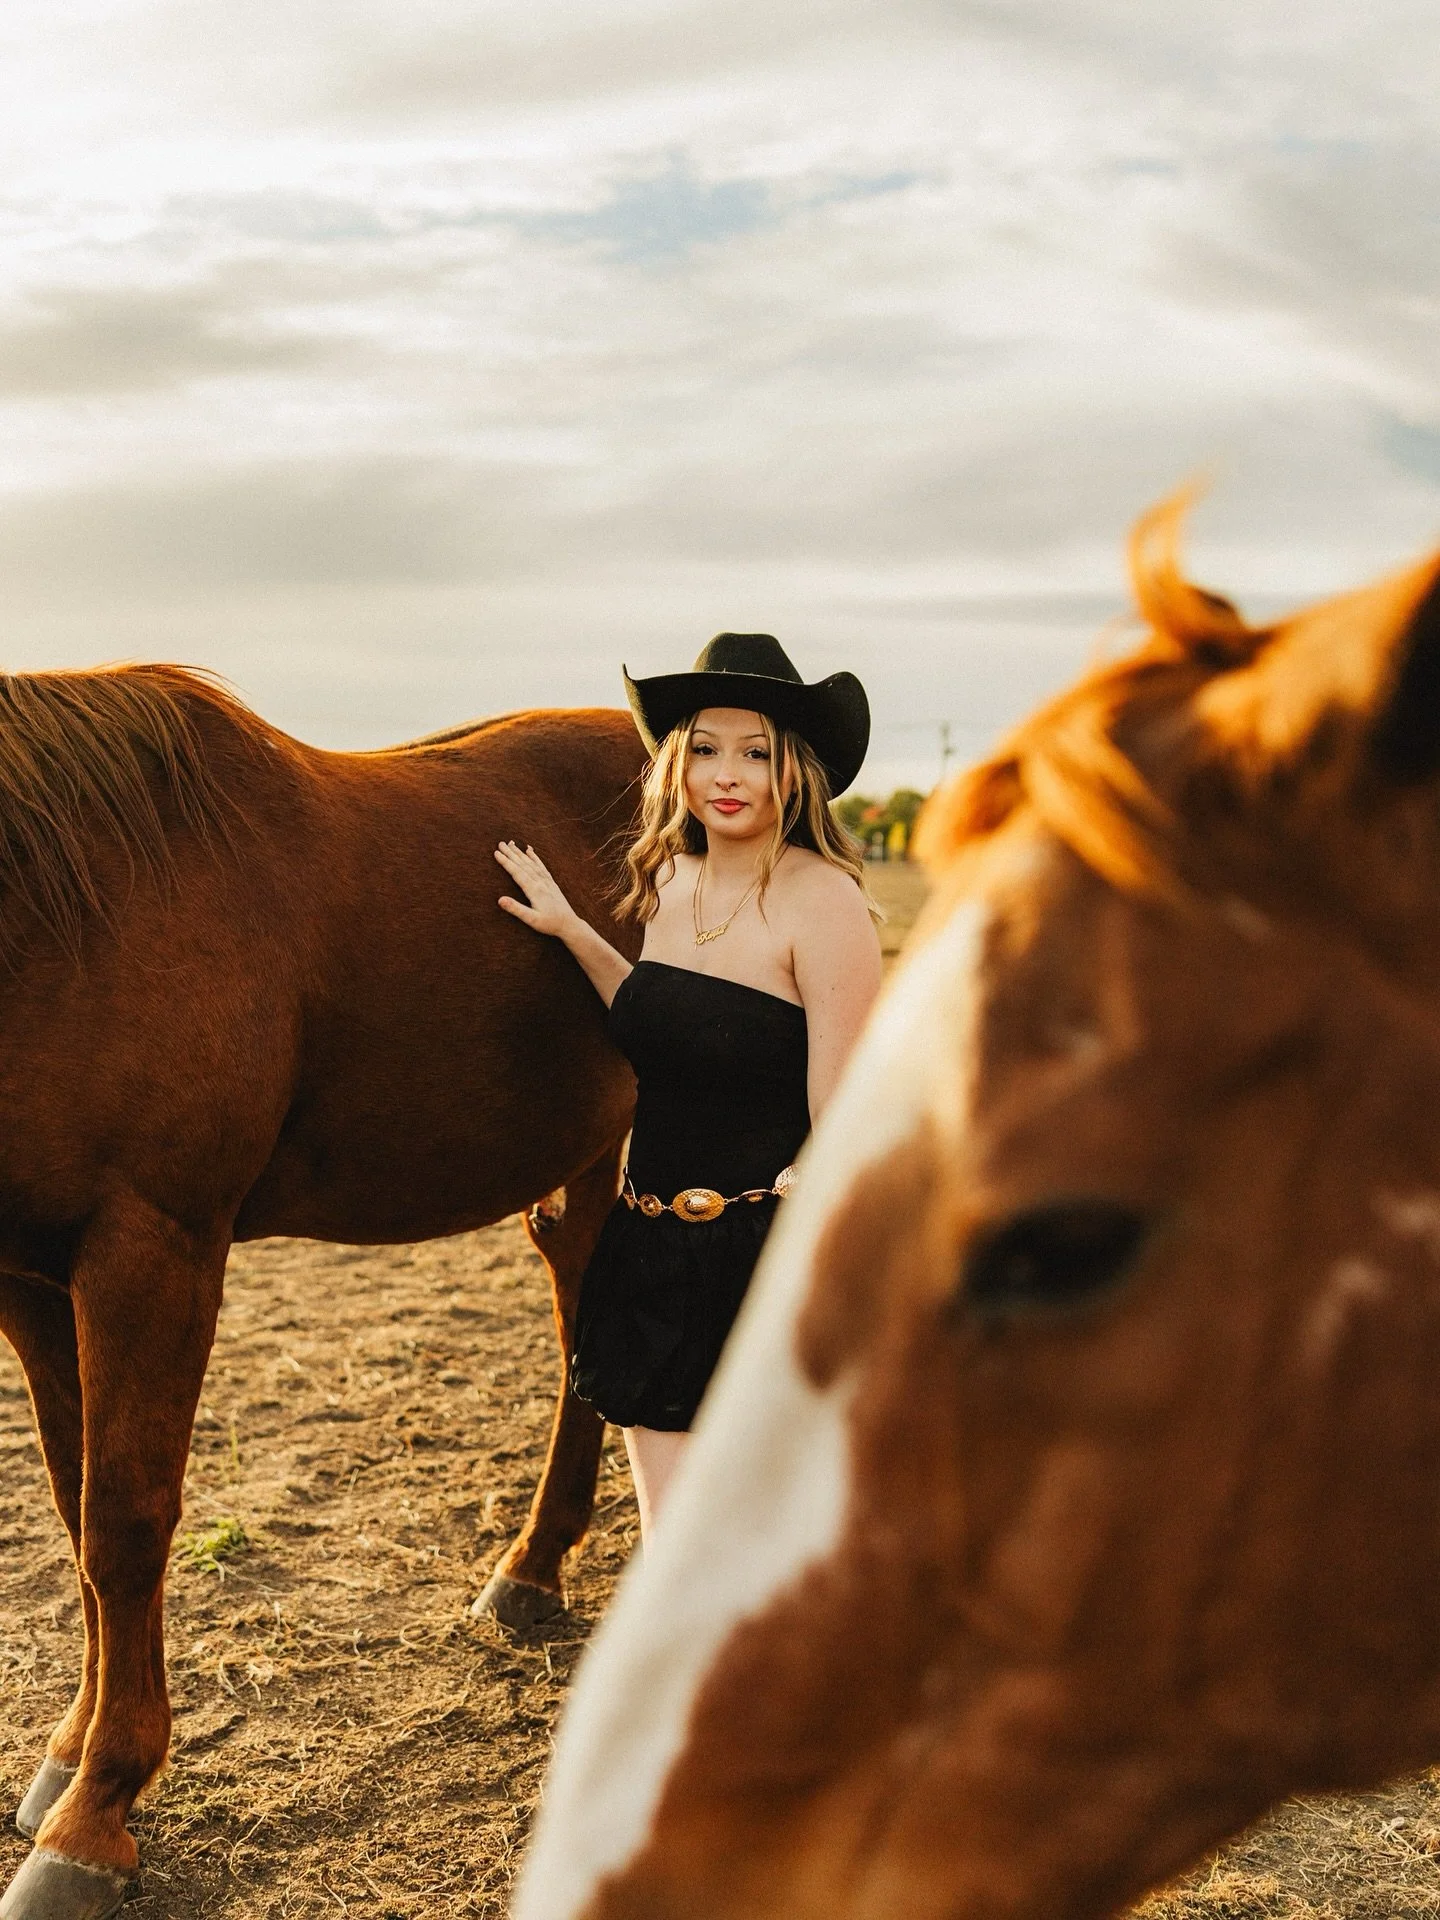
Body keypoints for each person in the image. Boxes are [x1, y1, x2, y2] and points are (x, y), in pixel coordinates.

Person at [494, 633, 883, 1541]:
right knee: (673, 1544)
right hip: (645, 1248)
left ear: (795, 771)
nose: (727, 774)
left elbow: (843, 1112)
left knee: (762, 1545)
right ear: (675, 763)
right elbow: (650, 1010)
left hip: (759, 1254)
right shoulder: (664, 881)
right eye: (704, 748)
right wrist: (571, 929)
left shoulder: (823, 901)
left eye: (756, 751)